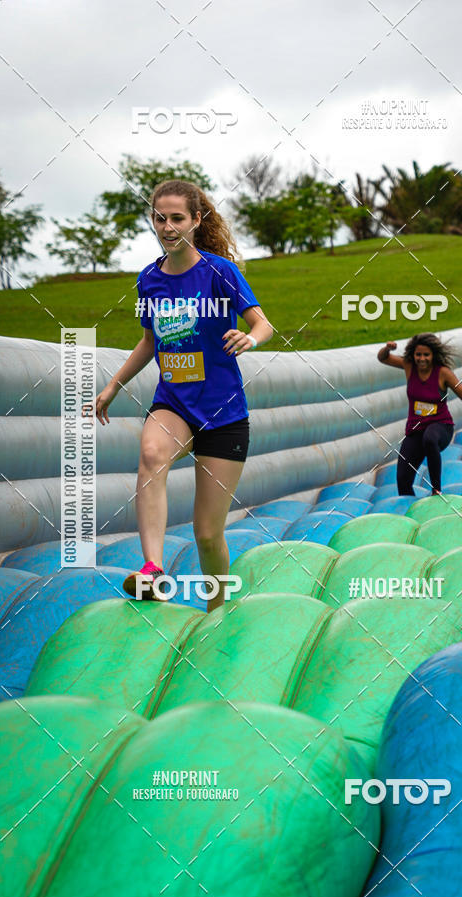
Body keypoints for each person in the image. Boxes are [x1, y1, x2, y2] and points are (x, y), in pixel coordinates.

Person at [91, 179, 273, 611]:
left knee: (207, 535)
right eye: (160, 218)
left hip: (223, 415)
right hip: (173, 404)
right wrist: (113, 384)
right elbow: (149, 341)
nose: (167, 226)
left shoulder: (219, 272)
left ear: (196, 220)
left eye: (177, 218)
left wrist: (251, 338)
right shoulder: (148, 280)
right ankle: (153, 569)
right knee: (151, 456)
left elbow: (263, 323)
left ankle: (218, 612)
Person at [378, 333, 462, 495]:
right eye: (418, 354)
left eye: (426, 355)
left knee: (430, 438)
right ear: (413, 354)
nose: (422, 359)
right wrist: (387, 348)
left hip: (441, 427)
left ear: (433, 355)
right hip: (416, 430)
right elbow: (383, 358)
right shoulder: (410, 366)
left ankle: (436, 489)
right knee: (403, 478)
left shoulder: (442, 373)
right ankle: (409, 507)